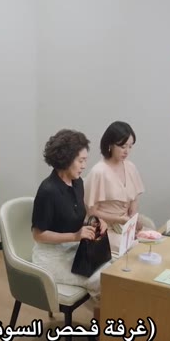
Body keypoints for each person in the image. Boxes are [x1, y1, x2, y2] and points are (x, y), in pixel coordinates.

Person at [31, 129, 111, 316]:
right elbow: (38, 235)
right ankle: (104, 328)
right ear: (66, 159)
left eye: (85, 160)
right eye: (81, 160)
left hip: (72, 249)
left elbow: (78, 214)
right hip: (50, 257)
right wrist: (75, 236)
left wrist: (97, 221)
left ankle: (106, 323)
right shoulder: (48, 190)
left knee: (113, 269)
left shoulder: (77, 183)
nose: (84, 166)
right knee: (103, 280)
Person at [84, 121, 151, 254]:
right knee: (135, 249)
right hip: (104, 229)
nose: (127, 151)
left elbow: (134, 199)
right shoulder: (98, 172)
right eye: (123, 146)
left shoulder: (130, 167)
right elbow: (92, 212)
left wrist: (132, 220)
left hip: (125, 225)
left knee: (151, 240)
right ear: (110, 144)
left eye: (130, 146)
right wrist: (119, 219)